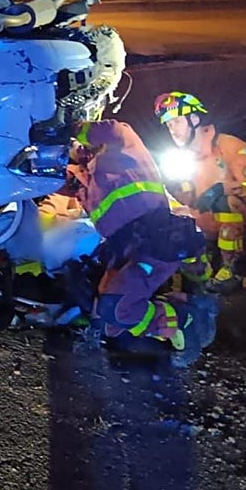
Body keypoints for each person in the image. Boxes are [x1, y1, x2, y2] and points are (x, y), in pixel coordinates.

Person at [67, 116, 213, 357]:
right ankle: (122, 334)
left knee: (115, 308)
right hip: (124, 248)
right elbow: (71, 186)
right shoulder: (89, 176)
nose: (76, 148)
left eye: (76, 144)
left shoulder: (119, 143)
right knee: (107, 318)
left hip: (154, 240)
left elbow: (114, 128)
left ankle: (183, 317)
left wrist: (74, 128)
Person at [153, 91, 246, 291]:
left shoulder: (230, 146)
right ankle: (190, 272)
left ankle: (232, 268)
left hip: (245, 226)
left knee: (226, 201)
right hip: (207, 226)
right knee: (168, 212)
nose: (173, 130)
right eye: (169, 125)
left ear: (194, 119)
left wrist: (224, 189)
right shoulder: (180, 157)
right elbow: (186, 202)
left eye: (177, 122)